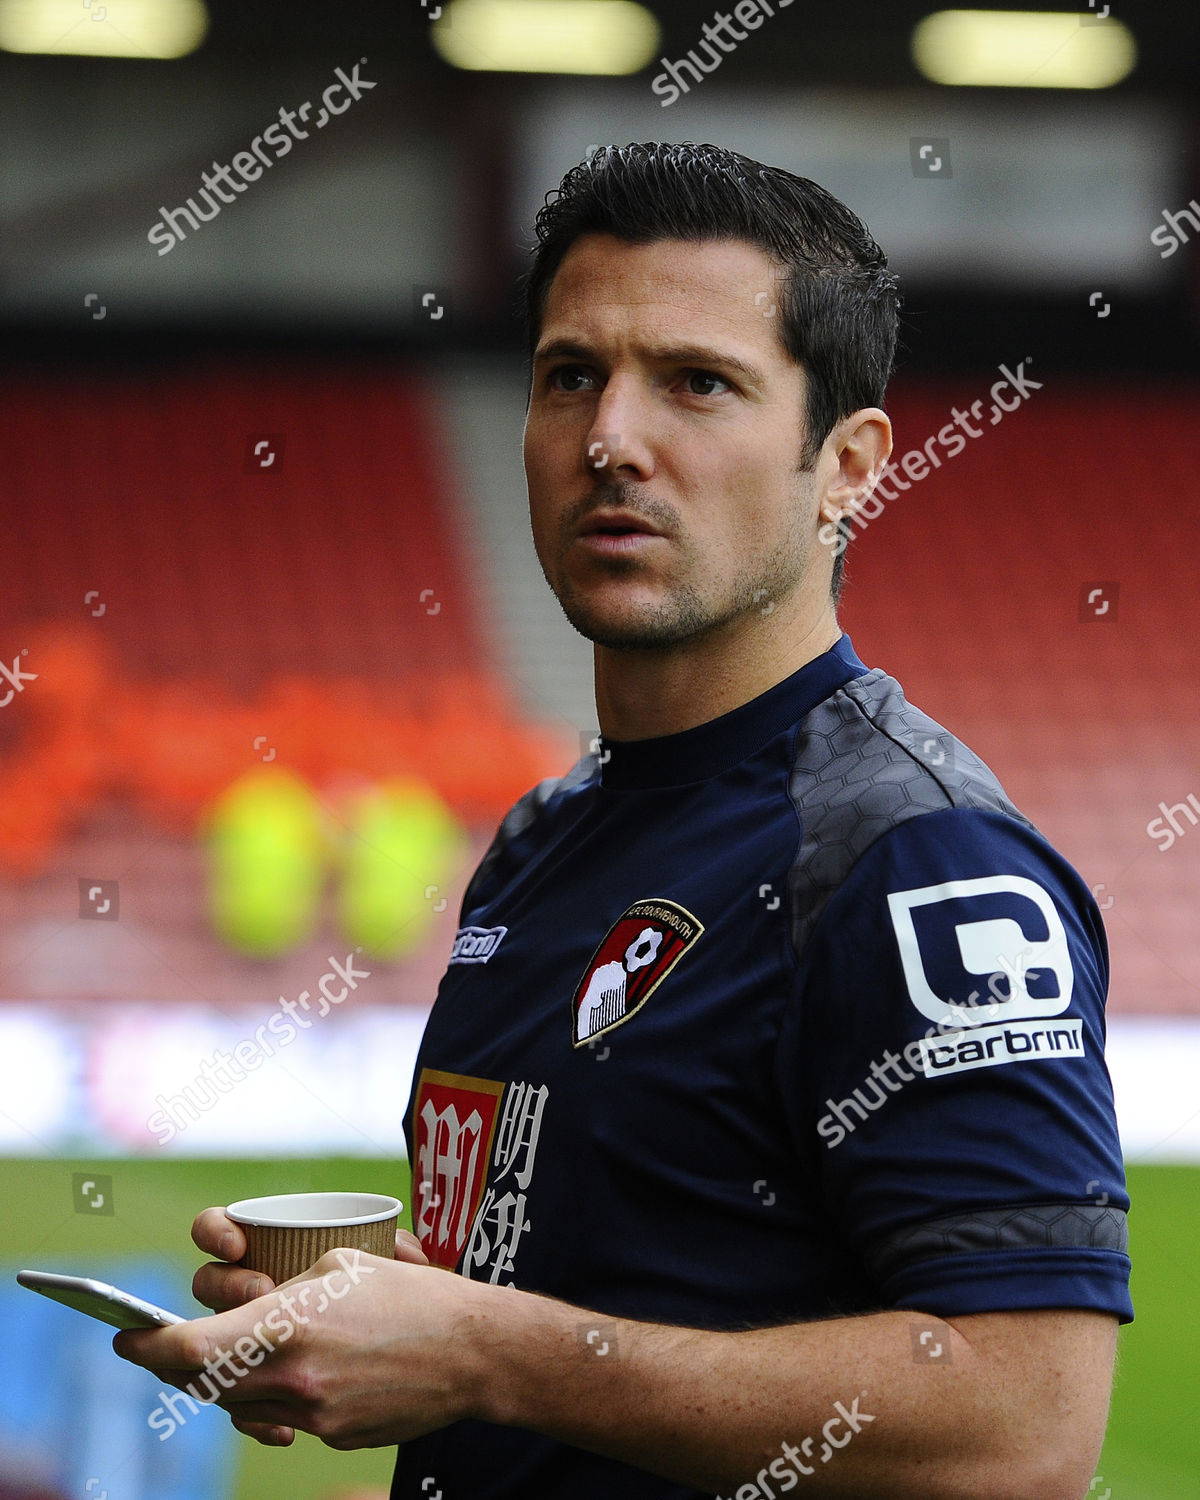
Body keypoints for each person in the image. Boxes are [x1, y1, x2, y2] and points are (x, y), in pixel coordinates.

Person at [115, 142, 1132, 1499]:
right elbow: (557, 1290)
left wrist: (488, 1354)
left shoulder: (912, 859)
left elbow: (1026, 1428)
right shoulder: (541, 841)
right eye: (569, 376)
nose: (610, 439)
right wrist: (365, 1327)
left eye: (698, 383)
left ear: (848, 466)